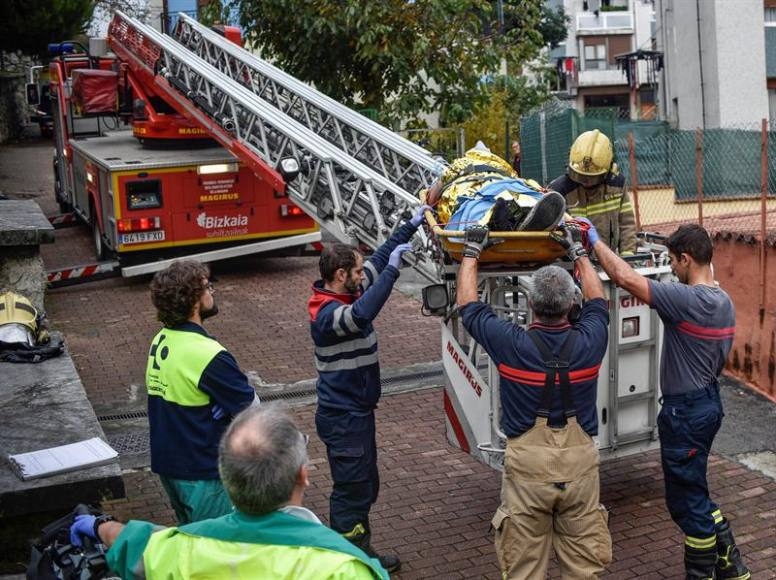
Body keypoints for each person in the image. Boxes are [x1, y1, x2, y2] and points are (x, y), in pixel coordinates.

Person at [580, 220, 749, 580]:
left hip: (684, 413)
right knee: (695, 490)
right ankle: (731, 566)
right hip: (707, 405)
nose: (671, 268)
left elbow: (624, 277)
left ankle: (703, 573)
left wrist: (592, 240)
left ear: (686, 259)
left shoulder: (687, 301)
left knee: (686, 504)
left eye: (672, 261)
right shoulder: (723, 301)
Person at [456, 223, 612, 578]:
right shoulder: (591, 340)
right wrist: (579, 252)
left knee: (524, 569)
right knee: (584, 570)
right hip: (580, 468)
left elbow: (468, 306)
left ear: (530, 303)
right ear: (571, 304)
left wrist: (472, 251)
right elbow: (598, 301)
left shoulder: (512, 344)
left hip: (527, 472)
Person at [69, 405, 389, 579]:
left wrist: (97, 526)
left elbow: (131, 543)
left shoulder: (185, 547)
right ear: (302, 476)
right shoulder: (343, 568)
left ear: (226, 478)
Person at [308, 205, 431, 573]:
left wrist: (410, 226)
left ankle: (360, 551)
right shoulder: (327, 315)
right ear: (341, 275)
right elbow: (363, 314)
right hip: (343, 419)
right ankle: (352, 561)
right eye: (358, 272)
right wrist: (392, 272)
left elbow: (380, 256)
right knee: (352, 490)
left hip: (356, 416)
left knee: (364, 486)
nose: (364, 276)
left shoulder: (349, 289)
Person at [146, 260, 258, 525]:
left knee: (191, 539)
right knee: (216, 543)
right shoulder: (208, 354)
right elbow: (252, 411)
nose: (212, 292)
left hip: (169, 465)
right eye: (208, 287)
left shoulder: (162, 339)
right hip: (201, 471)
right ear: (194, 300)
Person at [426, 142, 566, 235]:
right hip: (507, 185)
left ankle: (498, 221)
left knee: (476, 207)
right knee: (521, 197)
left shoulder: (461, 163)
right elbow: (519, 180)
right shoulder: (503, 165)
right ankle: (526, 214)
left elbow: (432, 196)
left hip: (473, 188)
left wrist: (428, 206)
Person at [548, 129, 637, 255]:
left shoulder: (616, 185)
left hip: (608, 259)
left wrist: (628, 258)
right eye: (580, 175)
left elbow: (626, 224)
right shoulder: (559, 190)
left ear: (609, 169)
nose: (586, 181)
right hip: (572, 262)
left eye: (592, 177)